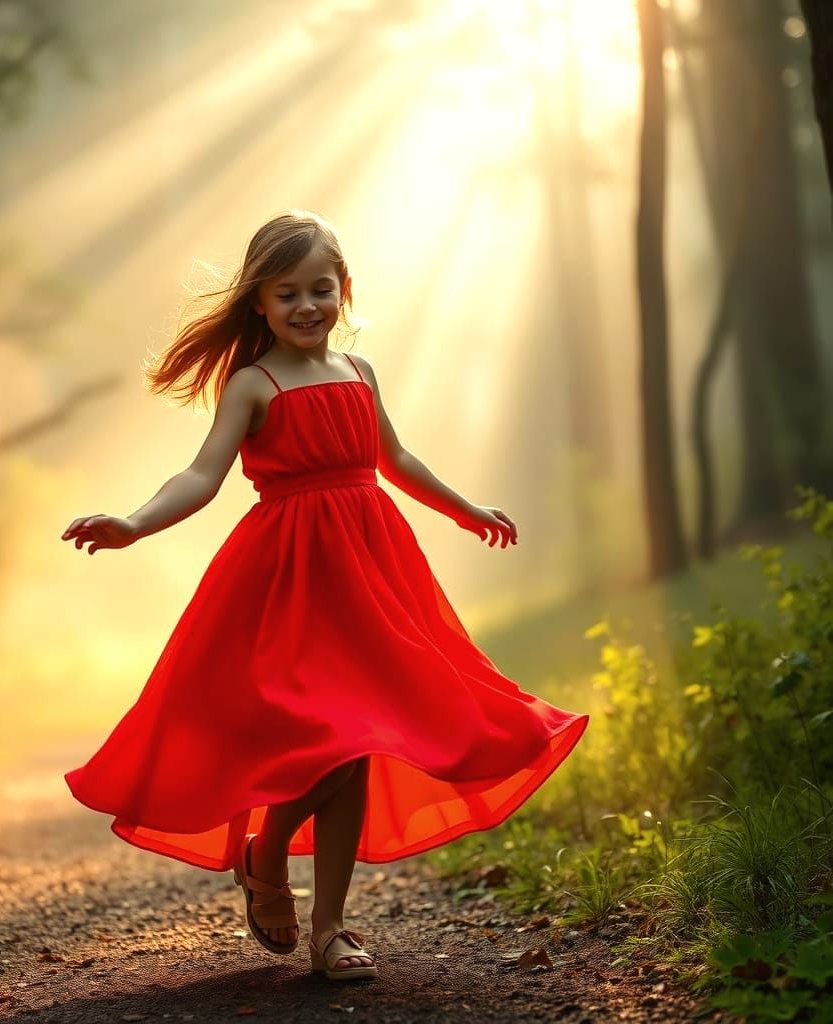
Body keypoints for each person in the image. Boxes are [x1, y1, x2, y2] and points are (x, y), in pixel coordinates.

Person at [61, 209, 590, 982]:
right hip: (292, 582)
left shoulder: (360, 373)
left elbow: (396, 458)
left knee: (364, 740)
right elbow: (202, 475)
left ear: (343, 290)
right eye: (287, 294)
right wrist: (134, 523)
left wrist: (467, 510)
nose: (307, 307)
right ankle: (270, 855)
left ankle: (331, 928)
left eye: (321, 289)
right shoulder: (253, 382)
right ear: (260, 305)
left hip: (372, 578)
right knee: (331, 741)